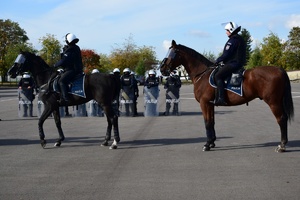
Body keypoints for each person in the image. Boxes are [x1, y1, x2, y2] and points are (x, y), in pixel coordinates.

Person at [212, 22, 246, 106]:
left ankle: (221, 98)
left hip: (234, 63)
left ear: (231, 30)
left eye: (227, 30)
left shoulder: (233, 40)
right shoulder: (239, 39)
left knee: (218, 76)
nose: (226, 32)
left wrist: (217, 60)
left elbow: (226, 54)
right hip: (239, 63)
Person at [54, 33, 83, 105]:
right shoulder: (75, 47)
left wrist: (55, 65)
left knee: (61, 81)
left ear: (68, 40)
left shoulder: (70, 49)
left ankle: (65, 99)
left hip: (72, 70)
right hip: (76, 69)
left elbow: (64, 60)